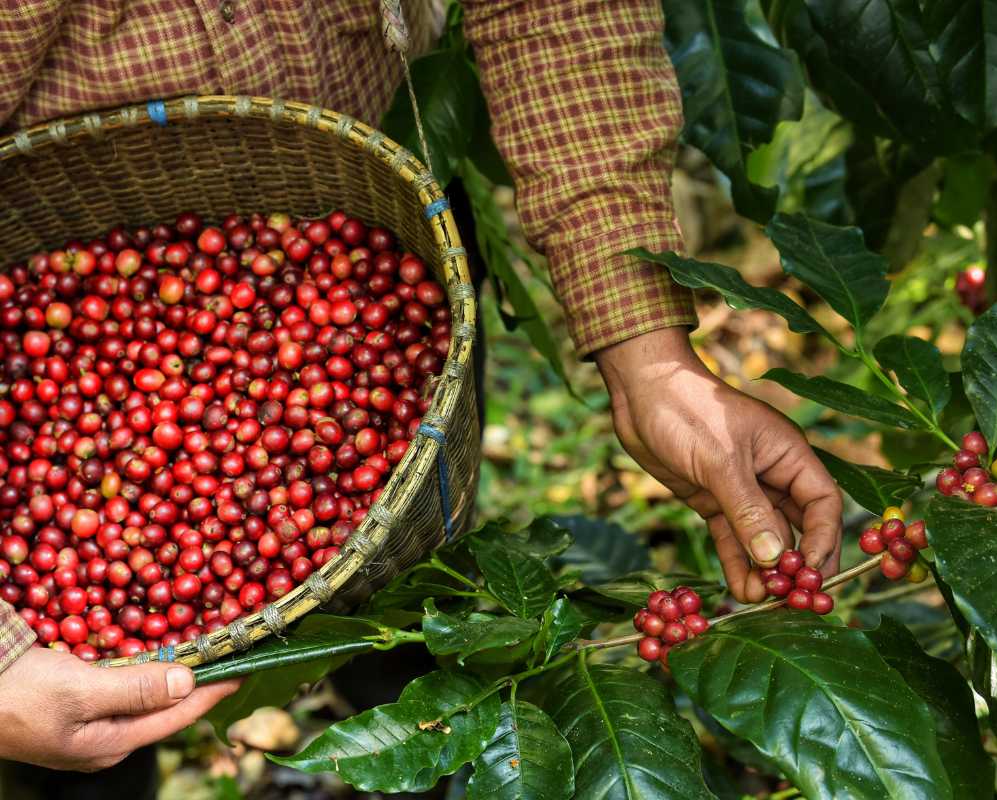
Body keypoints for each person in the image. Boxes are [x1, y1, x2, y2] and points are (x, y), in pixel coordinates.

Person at [0, 0, 843, 772]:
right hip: (50, 202)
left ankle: (414, 737)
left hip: (375, 183)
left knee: (411, 599)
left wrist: (649, 358)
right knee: (72, 743)